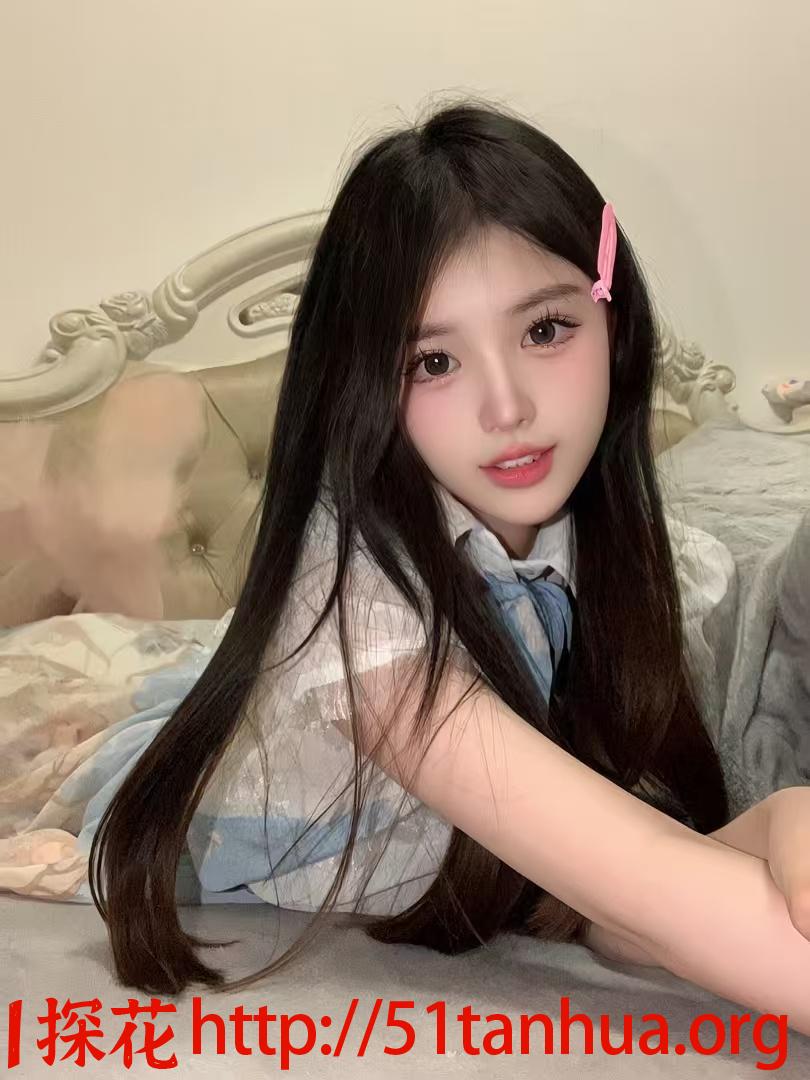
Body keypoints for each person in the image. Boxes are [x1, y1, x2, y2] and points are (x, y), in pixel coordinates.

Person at [84, 98, 810, 1032]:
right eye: (432, 362)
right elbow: (663, 889)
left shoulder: (618, 551)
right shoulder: (356, 616)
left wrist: (778, 819)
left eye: (545, 330)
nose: (506, 408)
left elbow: (612, 896)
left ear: (615, 321)